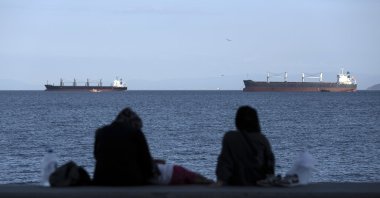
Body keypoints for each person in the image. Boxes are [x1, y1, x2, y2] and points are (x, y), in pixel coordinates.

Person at [92, 107, 157, 186]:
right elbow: (145, 160)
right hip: (130, 180)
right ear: (134, 123)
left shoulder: (101, 131)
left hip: (101, 180)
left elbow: (96, 156)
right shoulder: (136, 133)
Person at [216, 105, 275, 186]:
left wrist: (221, 181)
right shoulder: (262, 139)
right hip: (258, 185)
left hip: (235, 185)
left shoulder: (229, 137)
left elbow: (224, 164)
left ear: (237, 120)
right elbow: (270, 166)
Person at [150, 159, 214, 185]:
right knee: (194, 178)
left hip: (170, 174)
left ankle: (207, 181)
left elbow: (162, 161)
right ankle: (208, 181)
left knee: (193, 179)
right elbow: (162, 162)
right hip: (171, 171)